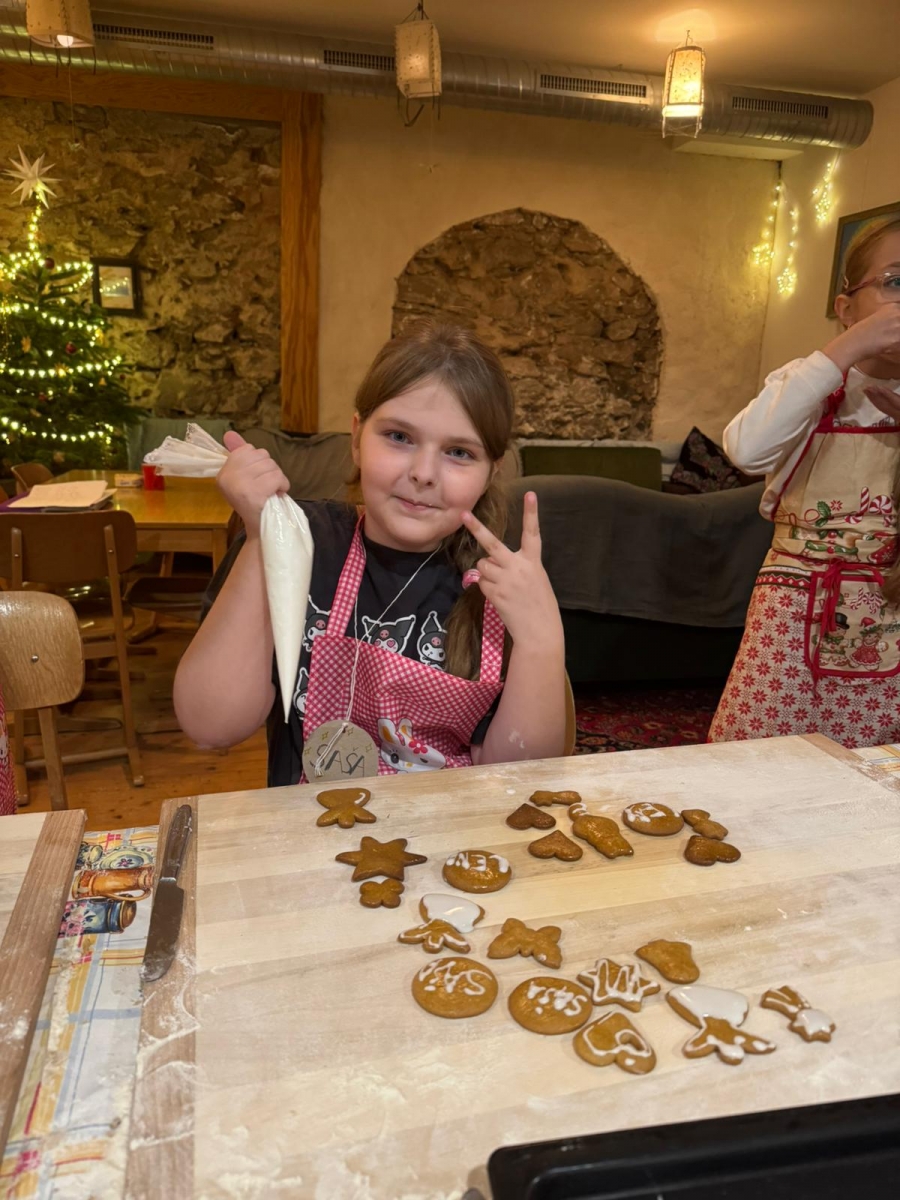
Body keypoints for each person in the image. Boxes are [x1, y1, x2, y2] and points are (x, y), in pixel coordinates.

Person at [174, 320, 567, 784]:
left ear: (491, 472)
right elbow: (211, 725)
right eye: (399, 437)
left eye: (459, 452)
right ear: (357, 438)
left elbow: (519, 777)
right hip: (310, 822)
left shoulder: (499, 589)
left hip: (450, 827)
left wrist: (542, 641)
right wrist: (263, 538)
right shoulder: (295, 544)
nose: (423, 473)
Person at [709, 216, 900, 746]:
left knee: (873, 770)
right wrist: (841, 354)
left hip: (892, 605)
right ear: (846, 309)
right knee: (759, 755)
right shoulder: (812, 383)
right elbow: (747, 451)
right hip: (793, 615)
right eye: (895, 281)